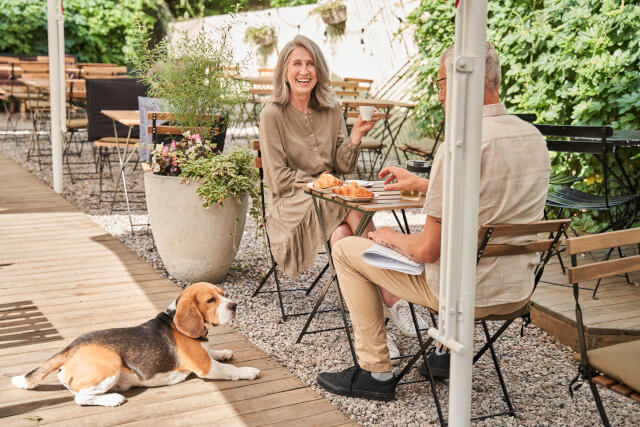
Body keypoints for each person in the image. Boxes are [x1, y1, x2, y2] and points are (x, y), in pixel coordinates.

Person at [316, 42, 551, 401]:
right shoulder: (533, 137)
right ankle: (442, 354)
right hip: (516, 289)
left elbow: (427, 250)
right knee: (443, 245)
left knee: (348, 248)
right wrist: (428, 186)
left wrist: (391, 237)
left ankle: (375, 372)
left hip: (462, 293)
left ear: (462, 79)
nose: (441, 96)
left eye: (441, 84)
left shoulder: (460, 145)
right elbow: (491, 203)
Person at [259, 36, 428, 346]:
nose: (304, 70)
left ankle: (370, 326)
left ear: (319, 70)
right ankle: (393, 298)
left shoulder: (331, 109)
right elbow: (278, 178)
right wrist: (324, 185)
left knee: (340, 238)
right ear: (284, 70)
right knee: (349, 204)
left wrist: (356, 135)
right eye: (297, 63)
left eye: (310, 63)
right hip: (291, 203)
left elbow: (342, 163)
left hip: (331, 202)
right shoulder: (272, 114)